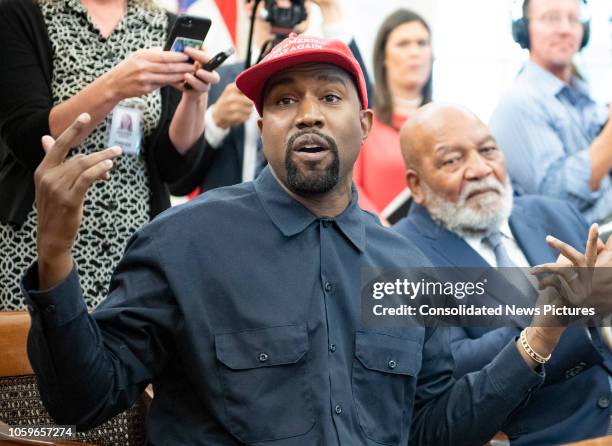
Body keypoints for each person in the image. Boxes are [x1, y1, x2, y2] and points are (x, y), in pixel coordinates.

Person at [24, 34, 589, 445]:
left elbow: (431, 427)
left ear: (364, 125)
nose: (308, 116)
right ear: (262, 123)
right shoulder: (184, 242)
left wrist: (540, 334)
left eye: (330, 97)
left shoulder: (405, 265)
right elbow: (84, 401)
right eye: (285, 101)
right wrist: (53, 257)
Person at [393, 103, 611, 444]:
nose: (480, 170)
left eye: (489, 150)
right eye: (453, 160)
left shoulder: (553, 213)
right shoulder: (397, 257)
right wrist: (559, 312)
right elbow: (452, 368)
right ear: (416, 185)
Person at [0, 0, 218, 309]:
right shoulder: (22, 13)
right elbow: (28, 139)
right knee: (34, 351)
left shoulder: (162, 24)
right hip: (39, 241)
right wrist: (114, 87)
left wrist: (195, 98)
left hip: (134, 246)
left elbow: (173, 167)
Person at [169, 0, 373, 196]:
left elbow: (361, 108)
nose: (284, 5)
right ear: (251, 6)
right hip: (230, 223)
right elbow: (178, 183)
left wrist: (332, 11)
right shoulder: (214, 80)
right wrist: (215, 122)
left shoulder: (327, 84)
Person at [489, 0, 612, 224]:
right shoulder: (518, 102)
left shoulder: (581, 93)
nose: (565, 29)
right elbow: (556, 200)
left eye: (573, 19)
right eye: (551, 18)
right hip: (577, 249)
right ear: (524, 30)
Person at [353, 9, 433, 217]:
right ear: (383, 58)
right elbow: (349, 189)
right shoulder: (363, 123)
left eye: (422, 43)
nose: (414, 52)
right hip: (378, 239)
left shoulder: (448, 124)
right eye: (403, 44)